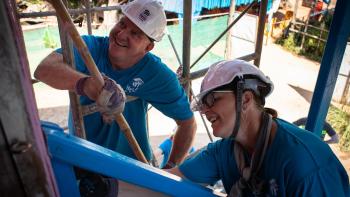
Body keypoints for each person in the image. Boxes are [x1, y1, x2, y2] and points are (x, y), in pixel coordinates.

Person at [34, 0, 196, 167]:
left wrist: (170, 168)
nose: (121, 34)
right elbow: (44, 69)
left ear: (148, 47)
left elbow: (188, 123)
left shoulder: (155, 74)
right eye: (122, 23)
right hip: (83, 160)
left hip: (132, 167)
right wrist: (86, 84)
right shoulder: (90, 48)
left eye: (135, 33)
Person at [168, 59, 349, 196]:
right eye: (203, 104)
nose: (204, 111)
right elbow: (166, 180)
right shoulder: (224, 151)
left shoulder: (305, 165)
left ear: (245, 99)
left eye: (212, 100)